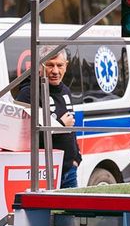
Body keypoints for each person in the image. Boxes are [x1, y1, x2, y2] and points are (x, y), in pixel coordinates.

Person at [16, 47, 81, 189]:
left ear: (66, 65)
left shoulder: (66, 90)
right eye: (50, 65)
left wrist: (77, 158)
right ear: (39, 66)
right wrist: (60, 124)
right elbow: (23, 139)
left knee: (72, 211)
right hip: (42, 172)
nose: (55, 71)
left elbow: (71, 128)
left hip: (69, 171)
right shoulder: (28, 94)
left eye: (60, 65)